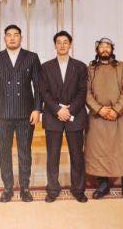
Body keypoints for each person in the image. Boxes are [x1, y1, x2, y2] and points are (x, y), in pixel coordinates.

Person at [0, 24, 41, 202]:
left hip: (26, 113)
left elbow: (38, 86)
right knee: (4, 152)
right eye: (8, 35)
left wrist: (37, 109)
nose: (12, 38)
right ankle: (7, 188)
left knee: (25, 152)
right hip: (2, 114)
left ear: (21, 38)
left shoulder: (31, 57)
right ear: (4, 38)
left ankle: (25, 187)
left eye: (15, 35)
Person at [37, 31, 89, 203]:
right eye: (59, 42)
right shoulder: (45, 67)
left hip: (75, 115)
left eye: (65, 42)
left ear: (70, 44)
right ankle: (53, 189)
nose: (62, 45)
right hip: (53, 116)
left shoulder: (80, 66)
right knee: (53, 156)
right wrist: (58, 110)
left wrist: (70, 110)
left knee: (77, 156)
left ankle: (78, 189)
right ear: (55, 45)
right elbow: (43, 92)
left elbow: (82, 92)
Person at [84, 38, 123, 199]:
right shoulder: (90, 69)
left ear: (112, 49)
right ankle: (103, 184)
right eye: (101, 46)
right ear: (97, 50)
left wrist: (116, 109)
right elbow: (86, 92)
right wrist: (99, 109)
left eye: (108, 46)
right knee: (99, 151)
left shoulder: (122, 67)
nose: (105, 49)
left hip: (118, 116)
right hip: (97, 117)